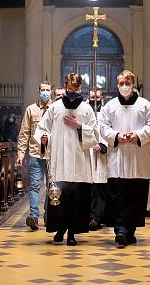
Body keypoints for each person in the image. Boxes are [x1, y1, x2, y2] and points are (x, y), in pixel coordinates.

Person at [34, 73, 96, 246]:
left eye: (75, 88)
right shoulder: (55, 107)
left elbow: (95, 133)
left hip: (79, 161)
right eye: (69, 88)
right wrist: (44, 137)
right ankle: (60, 229)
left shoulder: (86, 109)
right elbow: (42, 127)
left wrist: (79, 127)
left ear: (80, 88)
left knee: (77, 199)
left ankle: (72, 233)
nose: (72, 91)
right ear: (65, 85)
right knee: (60, 197)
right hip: (60, 160)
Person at [98, 70, 150, 247]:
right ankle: (120, 230)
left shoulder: (145, 105)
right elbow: (102, 127)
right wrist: (116, 136)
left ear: (133, 85)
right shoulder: (110, 106)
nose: (124, 86)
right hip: (117, 157)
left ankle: (130, 230)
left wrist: (138, 135)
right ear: (117, 85)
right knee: (117, 195)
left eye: (127, 82)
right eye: (121, 83)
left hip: (138, 158)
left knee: (135, 196)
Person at [16, 82, 53, 231]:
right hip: (35, 153)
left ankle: (49, 215)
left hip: (51, 154)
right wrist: (20, 153)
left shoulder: (55, 109)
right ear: (39, 91)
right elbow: (24, 133)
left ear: (52, 91)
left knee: (52, 186)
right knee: (34, 186)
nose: (45, 92)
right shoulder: (31, 110)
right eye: (43, 90)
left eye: (47, 90)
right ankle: (34, 216)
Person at [88, 88, 109, 230]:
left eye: (97, 97)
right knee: (89, 188)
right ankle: (90, 216)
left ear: (102, 98)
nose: (94, 100)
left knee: (101, 187)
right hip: (87, 153)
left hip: (102, 155)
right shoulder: (84, 111)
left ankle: (99, 217)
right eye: (91, 97)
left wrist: (102, 145)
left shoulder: (107, 112)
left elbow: (109, 131)